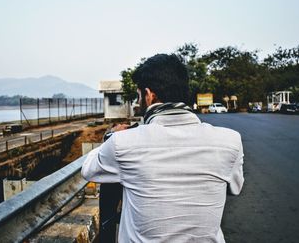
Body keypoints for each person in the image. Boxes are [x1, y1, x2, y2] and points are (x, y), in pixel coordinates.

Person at [82, 53, 244, 242]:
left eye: (139, 95)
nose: (138, 102)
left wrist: (110, 136)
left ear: (150, 95)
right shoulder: (230, 142)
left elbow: (89, 169)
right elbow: (234, 187)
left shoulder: (122, 144)